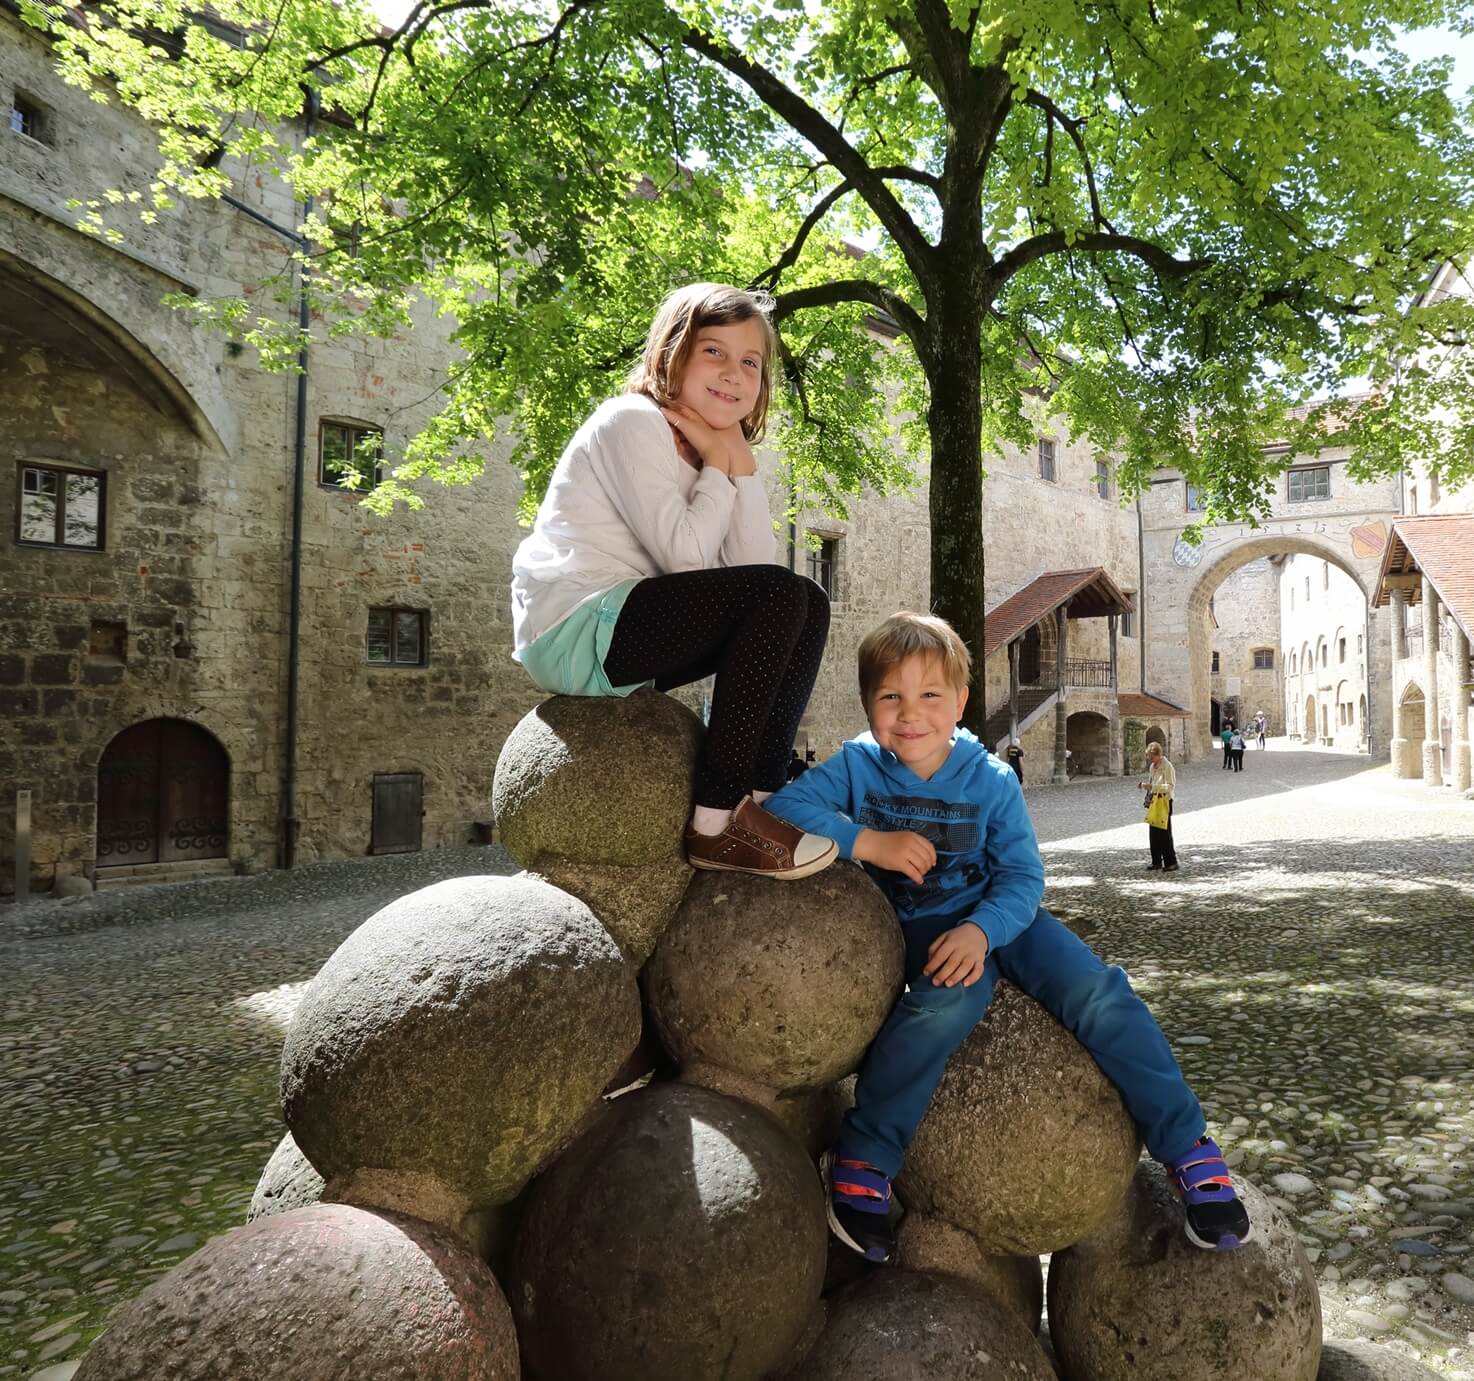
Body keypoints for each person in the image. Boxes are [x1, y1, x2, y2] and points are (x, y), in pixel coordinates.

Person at [768, 612, 1250, 1265]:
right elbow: (781, 808)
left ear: (961, 702)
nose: (910, 714)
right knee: (945, 1005)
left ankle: (1190, 1148)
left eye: (930, 695)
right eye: (891, 696)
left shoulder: (990, 778)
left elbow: (1023, 877)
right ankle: (865, 1157)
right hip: (919, 928)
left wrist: (981, 928)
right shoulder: (859, 765)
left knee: (1100, 993)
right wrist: (868, 840)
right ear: (867, 703)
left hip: (1002, 917)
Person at [510, 282, 837, 881]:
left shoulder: (713, 442)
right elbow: (689, 561)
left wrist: (740, 462)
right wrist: (719, 462)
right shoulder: (631, 420)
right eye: (714, 352)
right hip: (576, 628)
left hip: (630, 628)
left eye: (751, 363)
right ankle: (715, 825)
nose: (733, 375)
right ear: (672, 354)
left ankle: (761, 804)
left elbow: (754, 563)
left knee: (806, 601)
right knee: (781, 594)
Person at [1138, 741, 1179, 871]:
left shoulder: (1167, 766)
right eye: (1149, 757)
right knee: (1153, 833)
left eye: (1152, 757)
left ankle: (1171, 862)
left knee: (1164, 833)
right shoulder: (1152, 767)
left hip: (1165, 801)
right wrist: (1146, 787)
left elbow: (1170, 786)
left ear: (1159, 754)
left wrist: (1153, 787)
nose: (1151, 760)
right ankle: (1156, 861)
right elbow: (1152, 783)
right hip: (1154, 801)